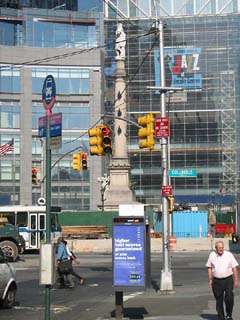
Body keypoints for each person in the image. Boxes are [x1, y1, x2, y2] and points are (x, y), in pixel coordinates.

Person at [206, 240, 239, 320]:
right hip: (217, 281)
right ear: (216, 248)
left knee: (229, 297)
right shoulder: (212, 255)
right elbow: (209, 267)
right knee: (219, 299)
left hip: (228, 280)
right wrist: (210, 279)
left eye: (222, 247)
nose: (221, 249)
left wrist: (236, 280)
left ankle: (229, 315)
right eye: (219, 248)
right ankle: (221, 315)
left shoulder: (229, 254)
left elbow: (234, 268)